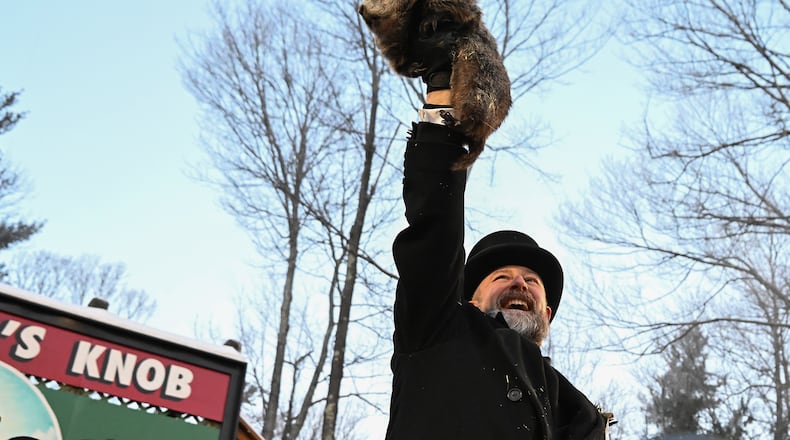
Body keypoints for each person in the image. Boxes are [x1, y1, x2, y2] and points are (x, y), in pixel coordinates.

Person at [385, 26, 608, 440]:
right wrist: (447, 99)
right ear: (469, 299)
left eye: (532, 280)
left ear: (548, 315)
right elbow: (435, 232)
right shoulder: (438, 329)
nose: (519, 281)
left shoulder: (578, 416)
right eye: (501, 276)